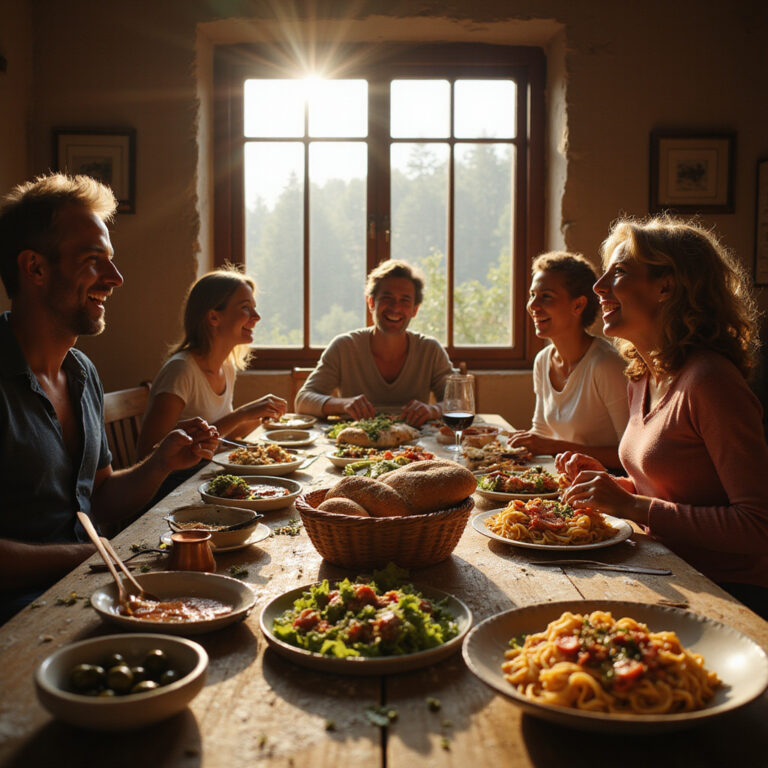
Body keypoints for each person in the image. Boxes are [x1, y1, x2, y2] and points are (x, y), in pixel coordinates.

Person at [0, 173, 219, 623]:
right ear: (35, 268)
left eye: (111, 261)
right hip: (21, 618)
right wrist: (94, 555)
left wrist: (161, 462)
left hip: (95, 586)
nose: (116, 278)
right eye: (93, 260)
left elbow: (97, 497)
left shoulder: (81, 373)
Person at [558, 216, 768, 615]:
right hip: (666, 571)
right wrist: (614, 487)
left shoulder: (710, 381)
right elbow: (677, 493)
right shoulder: (642, 374)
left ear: (666, 286)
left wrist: (632, 508)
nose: (599, 287)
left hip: (728, 595)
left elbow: (758, 527)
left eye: (618, 273)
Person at [137, 268, 286, 459]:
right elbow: (147, 453)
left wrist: (260, 418)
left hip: (209, 470)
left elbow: (223, 434)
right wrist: (242, 413)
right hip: (179, 483)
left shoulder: (227, 367)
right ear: (214, 317)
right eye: (245, 308)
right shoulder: (181, 370)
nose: (256, 317)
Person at [294, 259, 453, 427]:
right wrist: (344, 404)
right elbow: (303, 400)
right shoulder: (345, 346)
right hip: (355, 446)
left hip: (418, 448)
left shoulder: (430, 350)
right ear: (371, 302)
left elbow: (459, 403)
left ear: (415, 309)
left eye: (405, 300)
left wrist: (431, 410)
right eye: (387, 298)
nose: (395, 307)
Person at [509, 251, 628, 468]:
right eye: (532, 294)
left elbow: (629, 455)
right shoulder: (543, 360)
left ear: (578, 305)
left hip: (607, 484)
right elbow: (542, 432)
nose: (533, 306)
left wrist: (555, 447)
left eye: (546, 296)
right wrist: (521, 445)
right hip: (564, 479)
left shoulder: (606, 365)